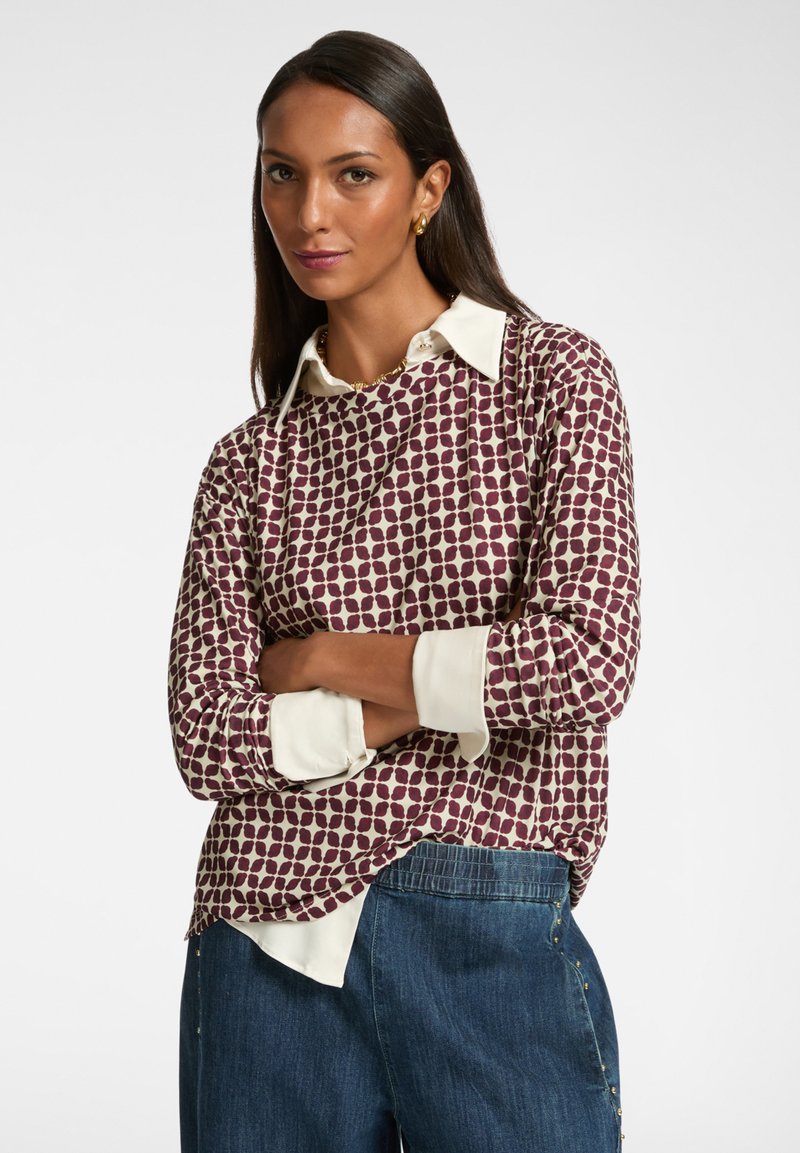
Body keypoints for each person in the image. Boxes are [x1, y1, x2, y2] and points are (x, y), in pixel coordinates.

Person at [167, 28, 640, 1153]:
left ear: (428, 190)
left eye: (353, 174)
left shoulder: (548, 381)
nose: (308, 213)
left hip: (484, 917)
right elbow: (208, 738)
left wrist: (323, 660)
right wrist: (439, 697)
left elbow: (582, 658)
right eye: (281, 173)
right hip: (262, 943)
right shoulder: (249, 463)